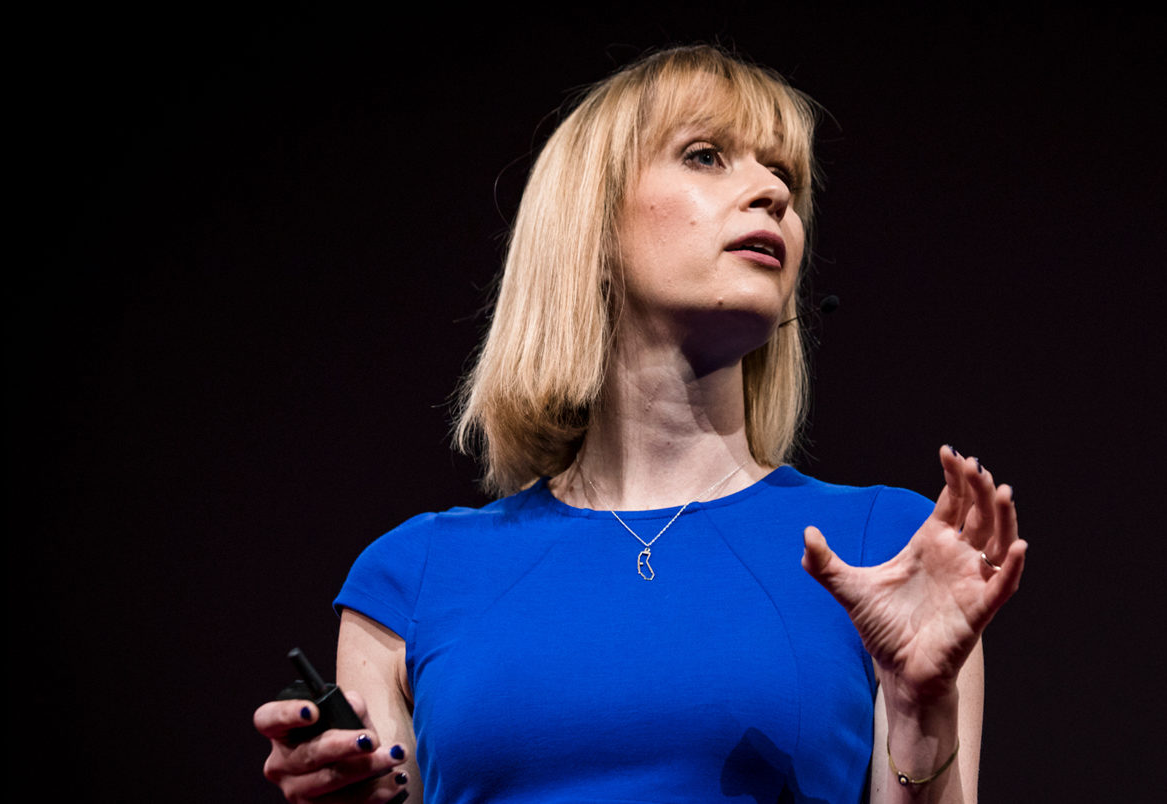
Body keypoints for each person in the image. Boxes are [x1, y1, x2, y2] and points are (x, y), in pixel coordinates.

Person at [254, 44, 1026, 803]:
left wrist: (922, 716)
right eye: (706, 155)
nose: (772, 194)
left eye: (783, 173)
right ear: (590, 224)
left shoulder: (884, 548)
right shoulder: (411, 578)